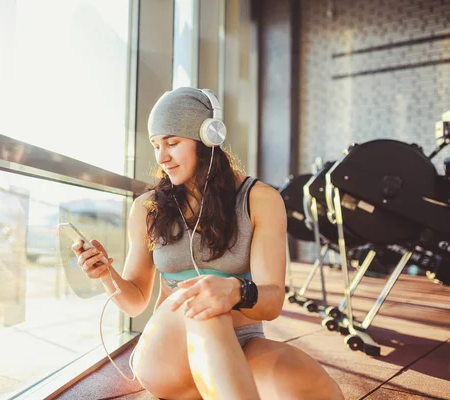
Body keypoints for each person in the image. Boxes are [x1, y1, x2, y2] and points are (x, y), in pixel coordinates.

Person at [72, 87, 344, 400]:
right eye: (156, 145)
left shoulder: (260, 200)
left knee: (317, 390)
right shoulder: (147, 208)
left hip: (240, 343)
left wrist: (236, 292)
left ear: (208, 139)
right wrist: (106, 274)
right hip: (166, 354)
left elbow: (271, 303)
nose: (162, 157)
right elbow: (135, 300)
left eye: (172, 143)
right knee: (203, 304)